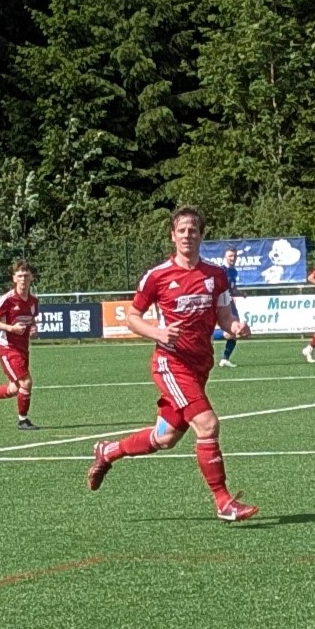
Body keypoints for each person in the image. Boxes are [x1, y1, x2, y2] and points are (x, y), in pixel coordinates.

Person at [86, 206, 258, 522]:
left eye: (193, 229)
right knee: (207, 424)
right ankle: (223, 502)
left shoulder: (216, 276)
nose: (187, 235)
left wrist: (236, 327)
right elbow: (132, 318)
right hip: (171, 362)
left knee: (164, 438)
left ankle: (108, 451)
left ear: (201, 235)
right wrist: (159, 332)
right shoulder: (157, 276)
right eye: (182, 230)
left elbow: (225, 317)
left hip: (199, 365)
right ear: (172, 235)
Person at [0, 260, 39, 428]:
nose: (23, 279)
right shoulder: (8, 300)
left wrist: (33, 328)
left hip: (23, 348)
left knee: (14, 389)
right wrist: (11, 328)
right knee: (26, 383)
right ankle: (23, 420)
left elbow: (31, 321)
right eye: (20, 276)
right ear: (14, 278)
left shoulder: (33, 301)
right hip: (8, 349)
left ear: (31, 277)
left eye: (26, 275)